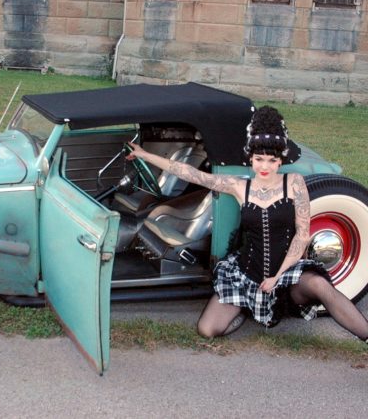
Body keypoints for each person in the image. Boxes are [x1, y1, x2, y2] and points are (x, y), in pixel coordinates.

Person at [126, 105, 368, 342]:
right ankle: (244, 308)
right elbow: (192, 174)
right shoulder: (239, 187)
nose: (264, 167)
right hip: (247, 274)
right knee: (207, 330)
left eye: (271, 160)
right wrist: (145, 155)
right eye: (259, 159)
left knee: (320, 285)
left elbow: (302, 235)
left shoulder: (294, 183)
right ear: (251, 158)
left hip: (288, 272)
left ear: (280, 161)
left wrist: (277, 276)